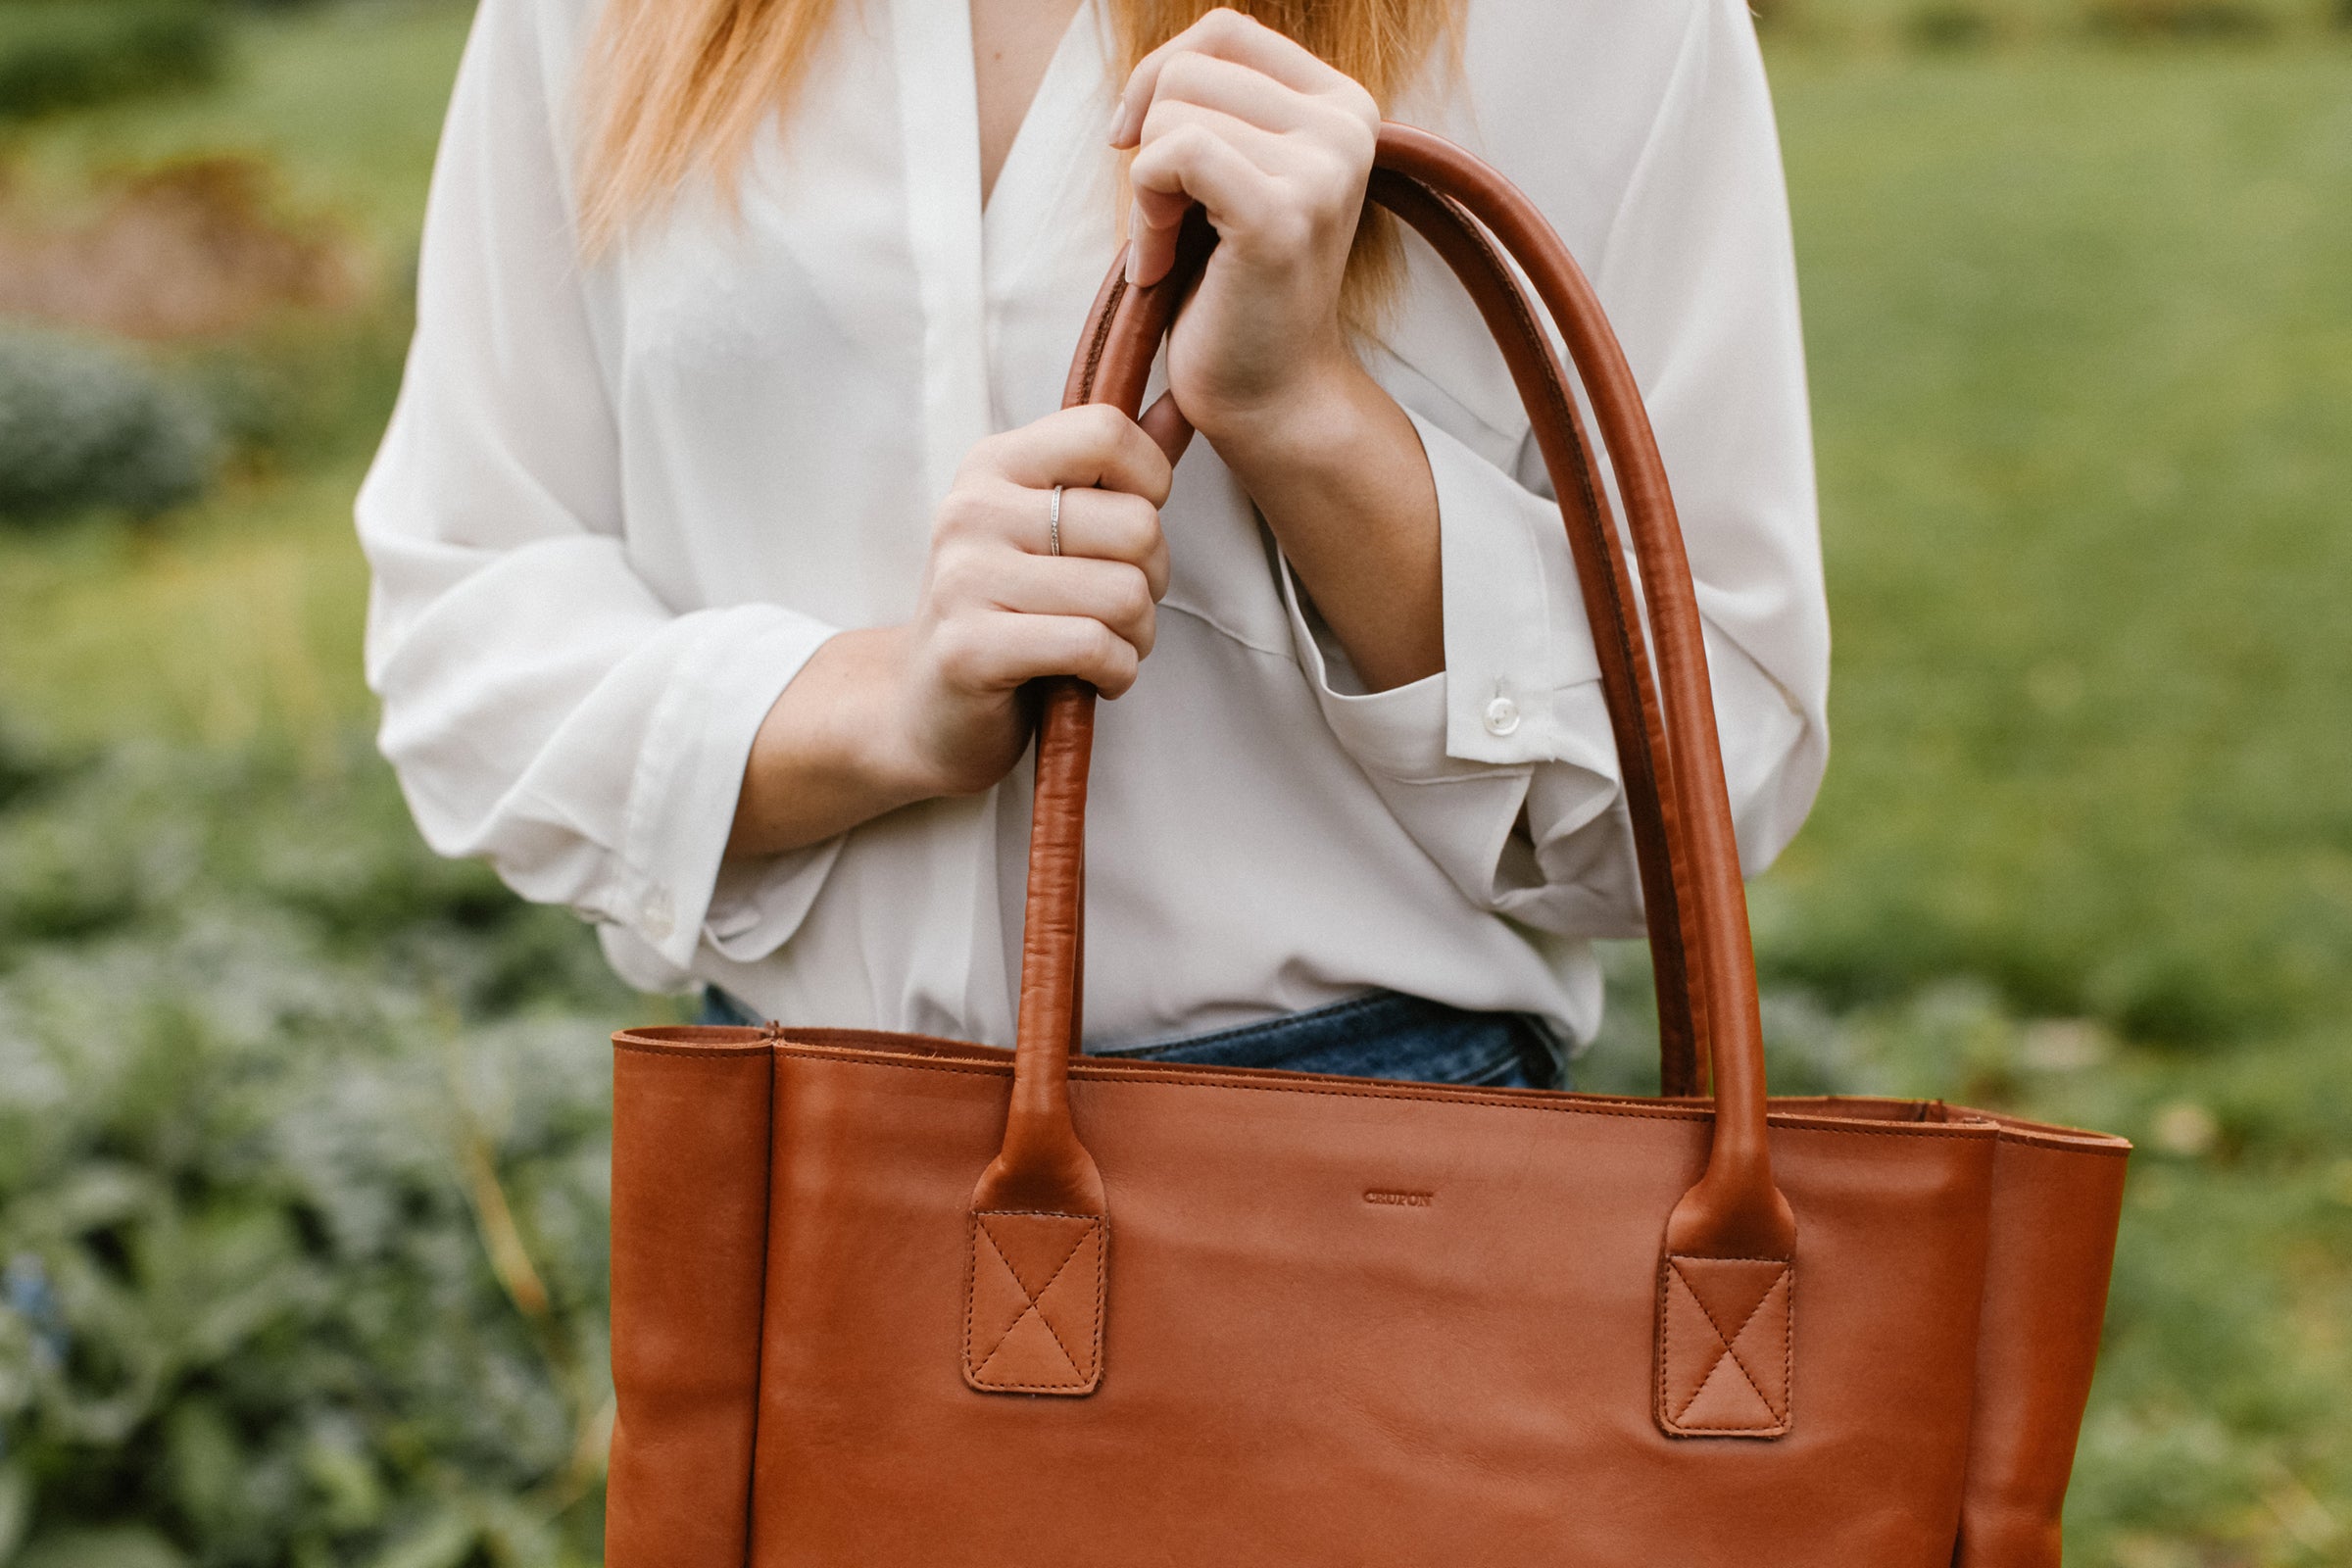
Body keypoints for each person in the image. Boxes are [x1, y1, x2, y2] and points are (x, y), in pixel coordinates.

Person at [357, 0, 1827, 1091]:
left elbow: (1712, 776)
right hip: (800, 1173)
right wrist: (879, 709)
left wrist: (1304, 417)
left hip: (1372, 1198)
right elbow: (464, 622)